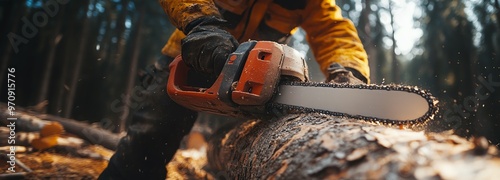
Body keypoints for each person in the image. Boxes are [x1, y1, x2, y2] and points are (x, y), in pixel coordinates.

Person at [99, 0, 370, 179]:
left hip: (256, 76)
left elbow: (334, 31)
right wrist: (201, 24)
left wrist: (348, 69)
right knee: (151, 136)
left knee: (268, 144)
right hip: (195, 56)